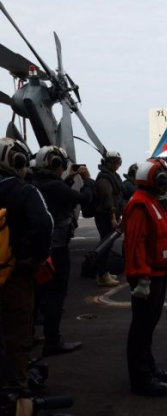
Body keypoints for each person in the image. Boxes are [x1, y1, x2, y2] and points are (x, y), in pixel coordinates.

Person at [122, 158, 167, 397]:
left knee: (148, 326)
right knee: (141, 328)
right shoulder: (139, 205)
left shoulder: (152, 202)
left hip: (159, 273)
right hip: (148, 277)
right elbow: (135, 245)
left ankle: (149, 369)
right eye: (162, 179)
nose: (166, 183)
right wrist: (142, 278)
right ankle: (141, 380)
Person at [0, 137, 53, 388]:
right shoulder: (25, 191)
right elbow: (45, 224)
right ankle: (17, 393)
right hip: (16, 275)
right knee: (17, 335)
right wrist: (37, 258)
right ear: (18, 161)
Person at [32, 146, 94, 356]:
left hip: (40, 248)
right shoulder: (54, 186)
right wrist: (87, 180)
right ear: (56, 164)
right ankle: (53, 340)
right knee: (57, 294)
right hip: (57, 248)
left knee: (38, 292)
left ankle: (31, 334)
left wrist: (68, 179)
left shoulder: (37, 183)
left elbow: (60, 194)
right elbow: (83, 199)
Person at [94, 151, 125, 287]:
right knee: (105, 246)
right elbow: (107, 198)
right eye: (113, 161)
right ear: (107, 162)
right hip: (105, 216)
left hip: (111, 215)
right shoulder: (105, 178)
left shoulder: (112, 176)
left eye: (117, 161)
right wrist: (113, 217)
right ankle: (102, 275)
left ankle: (105, 272)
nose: (116, 164)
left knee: (108, 244)